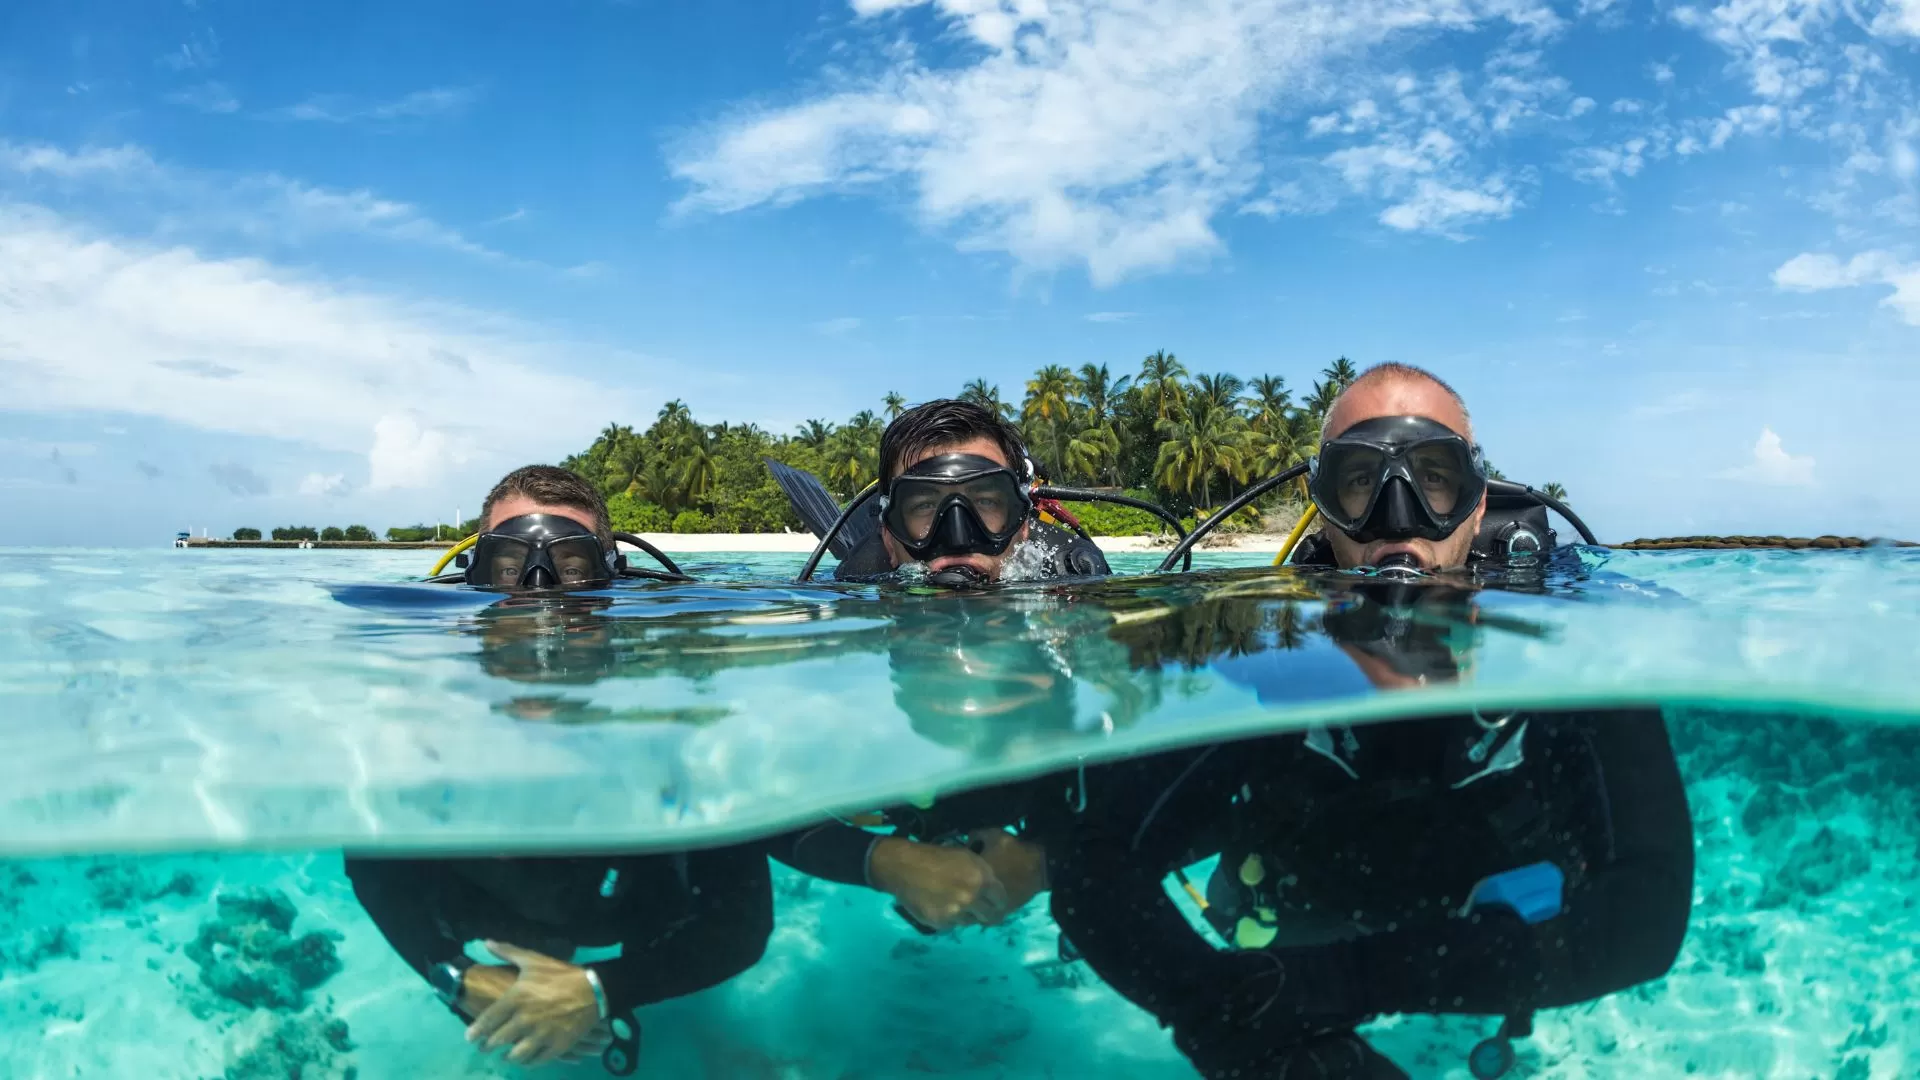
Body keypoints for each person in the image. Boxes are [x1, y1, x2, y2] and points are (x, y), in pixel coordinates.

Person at [1035, 364, 1696, 1079]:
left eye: (1434, 477)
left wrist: (1335, 986)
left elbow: (1646, 921)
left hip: (1467, 948)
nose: (1398, 519)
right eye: (1359, 481)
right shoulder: (1262, 653)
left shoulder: (1580, 644)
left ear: (1477, 506)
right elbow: (1092, 869)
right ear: (1323, 510)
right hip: (1302, 918)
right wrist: (1233, 1017)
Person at [348, 465, 776, 1073]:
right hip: (489, 915)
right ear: (475, 576)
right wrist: (456, 975)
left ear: (611, 575)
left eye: (574, 567)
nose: (541, 597)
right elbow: (373, 862)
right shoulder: (425, 718)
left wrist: (604, 989)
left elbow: (741, 923)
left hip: (628, 919)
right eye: (507, 566)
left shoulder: (666, 725)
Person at [831, 398, 1110, 586]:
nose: (958, 538)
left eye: (986, 501)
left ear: (1022, 525)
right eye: (924, 505)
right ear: (890, 539)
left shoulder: (1073, 577)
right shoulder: (856, 582)